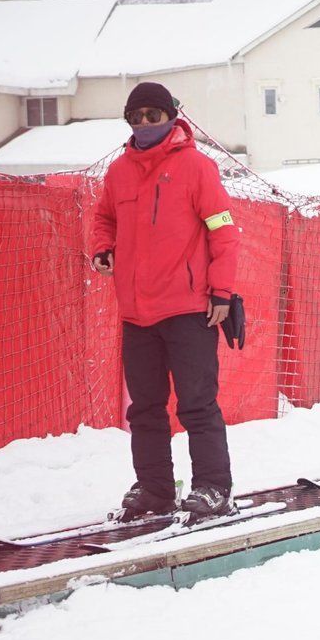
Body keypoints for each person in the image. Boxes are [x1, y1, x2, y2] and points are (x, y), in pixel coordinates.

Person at [89, 82, 240, 521]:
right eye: (135, 118)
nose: (143, 125)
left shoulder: (197, 168)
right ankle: (156, 488)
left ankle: (213, 488)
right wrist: (103, 247)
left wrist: (222, 293)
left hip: (190, 308)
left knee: (196, 404)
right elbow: (104, 217)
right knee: (145, 408)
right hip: (137, 312)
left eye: (152, 116)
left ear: (172, 116)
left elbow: (224, 232)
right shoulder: (118, 171)